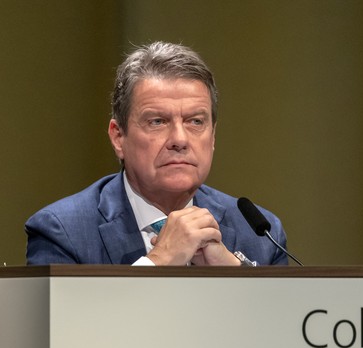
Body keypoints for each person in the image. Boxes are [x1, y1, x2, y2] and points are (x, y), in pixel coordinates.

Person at [25, 41, 288, 266]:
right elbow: (64, 325)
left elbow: (284, 323)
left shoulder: (261, 234)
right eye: (157, 122)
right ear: (118, 137)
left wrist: (237, 277)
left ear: (213, 136)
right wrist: (158, 261)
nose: (180, 140)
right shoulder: (62, 231)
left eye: (195, 121)